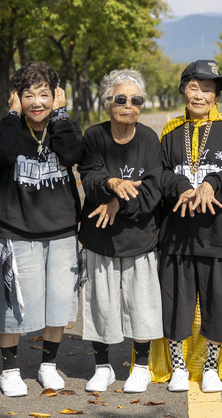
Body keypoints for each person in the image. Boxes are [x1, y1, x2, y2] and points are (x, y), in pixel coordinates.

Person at [0, 61, 83, 397]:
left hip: (62, 229)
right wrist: (13, 114)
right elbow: (0, 153)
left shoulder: (63, 125)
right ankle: (10, 369)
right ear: (17, 97)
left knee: (59, 301)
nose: (37, 102)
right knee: (12, 302)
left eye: (44, 94)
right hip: (16, 229)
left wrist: (61, 114)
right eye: (29, 95)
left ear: (56, 96)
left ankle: (48, 365)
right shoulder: (9, 127)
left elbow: (72, 153)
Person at [158, 60, 222, 393]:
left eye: (208, 89)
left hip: (220, 233)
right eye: (194, 87)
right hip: (177, 234)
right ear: (184, 90)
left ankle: (211, 366)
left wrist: (211, 184)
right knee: (175, 305)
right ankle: (178, 367)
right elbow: (160, 172)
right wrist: (181, 186)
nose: (200, 95)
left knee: (219, 305)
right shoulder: (170, 131)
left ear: (216, 96)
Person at [78, 69, 163, 394]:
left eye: (136, 100)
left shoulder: (149, 139)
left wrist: (117, 203)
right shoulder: (94, 136)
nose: (130, 105)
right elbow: (90, 177)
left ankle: (140, 366)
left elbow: (152, 190)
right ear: (107, 103)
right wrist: (112, 184)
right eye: (121, 99)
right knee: (101, 303)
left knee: (142, 304)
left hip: (140, 235)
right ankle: (102, 366)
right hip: (100, 236)